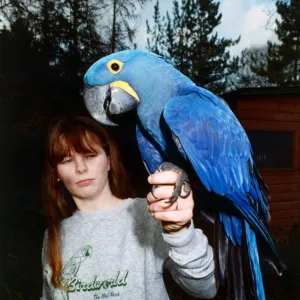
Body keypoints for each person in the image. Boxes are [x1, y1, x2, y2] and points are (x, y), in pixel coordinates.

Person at [40, 115, 217, 300]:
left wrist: (180, 233)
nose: (81, 168)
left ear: (108, 161)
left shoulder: (150, 213)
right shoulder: (55, 234)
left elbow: (206, 287)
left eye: (90, 155)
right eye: (67, 160)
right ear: (57, 173)